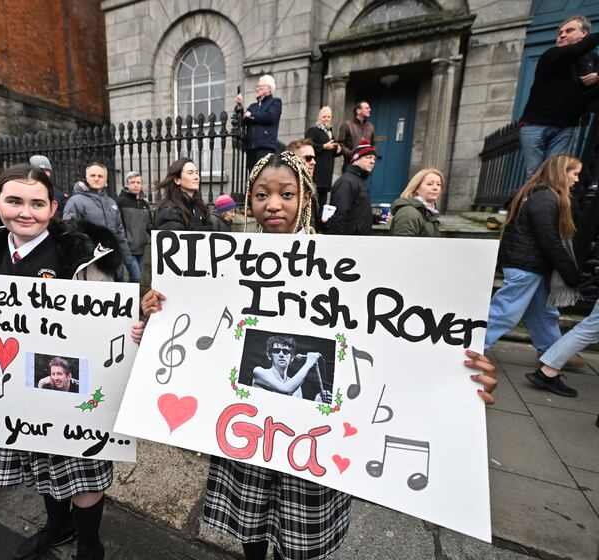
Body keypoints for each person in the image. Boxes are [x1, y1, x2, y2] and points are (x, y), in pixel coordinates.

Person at [135, 150, 497, 560]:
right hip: (250, 429)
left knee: (300, 541)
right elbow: (203, 332)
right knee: (251, 528)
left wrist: (456, 373)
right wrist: (158, 315)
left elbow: (393, 340)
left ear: (305, 198)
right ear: (249, 202)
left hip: (313, 438)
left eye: (286, 194)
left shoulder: (345, 265)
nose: (273, 204)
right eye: (261, 195)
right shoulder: (224, 263)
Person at [0, 163, 121, 560]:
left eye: (37, 203)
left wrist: (134, 329)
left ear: (53, 208)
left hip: (72, 387)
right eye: (14, 201)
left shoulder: (80, 255)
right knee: (41, 466)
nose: (25, 212)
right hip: (18, 389)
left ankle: (90, 545)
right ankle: (57, 527)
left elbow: (110, 321)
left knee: (84, 472)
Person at [484, 154, 585, 387]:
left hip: (529, 264)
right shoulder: (545, 198)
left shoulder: (538, 194)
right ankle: (471, 348)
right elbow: (548, 240)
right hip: (525, 265)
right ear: (561, 172)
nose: (577, 179)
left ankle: (553, 352)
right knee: (505, 312)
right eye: (575, 173)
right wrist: (571, 273)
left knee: (544, 312)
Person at [519, 15, 599, 179]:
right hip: (535, 126)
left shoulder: (588, 63)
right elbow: (575, 51)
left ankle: (547, 204)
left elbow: (581, 99)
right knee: (534, 175)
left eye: (569, 30)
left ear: (584, 33)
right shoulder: (552, 54)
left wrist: (587, 85)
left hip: (564, 127)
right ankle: (528, 203)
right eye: (560, 32)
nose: (562, 35)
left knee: (554, 175)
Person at [63, 162, 134, 281]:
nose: (96, 179)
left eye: (100, 176)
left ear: (106, 180)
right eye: (92, 175)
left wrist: (127, 260)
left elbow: (120, 234)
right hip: (90, 265)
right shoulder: (75, 201)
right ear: (86, 178)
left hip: (114, 264)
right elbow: (69, 233)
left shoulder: (112, 203)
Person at [252, 335, 332, 403]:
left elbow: (298, 412)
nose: (281, 354)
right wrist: (308, 364)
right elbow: (286, 390)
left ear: (292, 358)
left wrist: (316, 402)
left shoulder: (296, 387)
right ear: (269, 356)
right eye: (276, 351)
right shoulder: (259, 372)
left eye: (285, 352)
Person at [324, 140, 377, 235]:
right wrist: (342, 245)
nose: (372, 161)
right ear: (355, 160)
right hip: (350, 243)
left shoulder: (358, 181)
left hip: (359, 241)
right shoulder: (346, 182)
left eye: (374, 159)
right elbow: (338, 218)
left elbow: (357, 214)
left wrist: (376, 218)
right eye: (368, 157)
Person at [236, 75, 282, 172]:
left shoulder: (275, 102)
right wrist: (240, 108)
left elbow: (270, 117)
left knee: (263, 177)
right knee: (252, 179)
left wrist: (251, 115)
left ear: (268, 88)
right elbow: (243, 121)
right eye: (256, 87)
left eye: (259, 86)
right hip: (251, 148)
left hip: (265, 147)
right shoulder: (253, 106)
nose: (256, 89)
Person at [152, 158, 213, 231]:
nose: (196, 177)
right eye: (190, 173)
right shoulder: (169, 210)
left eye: (197, 173)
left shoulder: (200, 206)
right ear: (177, 180)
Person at [117, 171, 152, 283]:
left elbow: (149, 225)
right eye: (132, 182)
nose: (136, 185)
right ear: (127, 184)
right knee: (136, 277)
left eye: (138, 182)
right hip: (127, 249)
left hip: (141, 249)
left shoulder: (145, 204)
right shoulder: (120, 201)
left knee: (135, 279)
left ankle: (132, 299)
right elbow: (118, 226)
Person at [388, 168, 444, 237]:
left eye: (438, 184)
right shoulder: (408, 213)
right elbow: (403, 245)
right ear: (416, 188)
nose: (435, 188)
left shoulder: (430, 212)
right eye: (429, 184)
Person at [305, 106, 341, 205]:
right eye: (324, 116)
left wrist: (338, 149)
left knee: (323, 202)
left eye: (329, 117)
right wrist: (323, 146)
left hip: (326, 174)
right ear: (319, 118)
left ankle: (320, 220)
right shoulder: (313, 130)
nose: (326, 119)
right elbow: (308, 145)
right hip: (317, 171)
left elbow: (332, 151)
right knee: (313, 200)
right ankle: (312, 220)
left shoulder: (329, 133)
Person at [338, 100, 376, 168]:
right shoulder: (347, 125)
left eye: (369, 108)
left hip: (365, 165)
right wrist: (352, 154)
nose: (370, 109)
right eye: (367, 108)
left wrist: (371, 155)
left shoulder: (370, 126)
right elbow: (340, 143)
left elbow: (373, 143)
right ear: (358, 111)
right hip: (350, 164)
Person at [29, 154, 67, 219]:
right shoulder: (23, 189)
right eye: (41, 170)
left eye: (47, 170)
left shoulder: (57, 193)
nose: (45, 173)